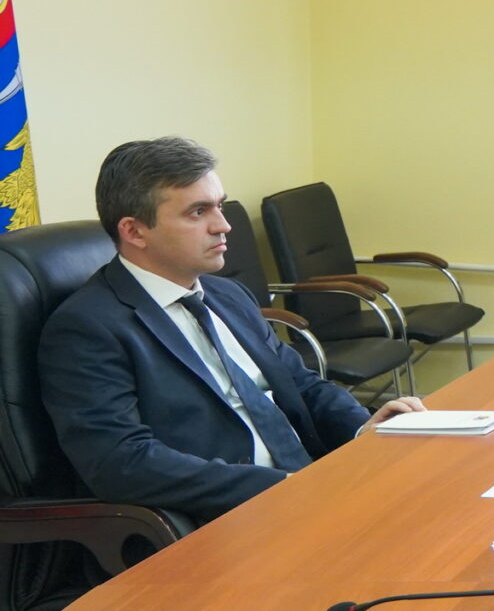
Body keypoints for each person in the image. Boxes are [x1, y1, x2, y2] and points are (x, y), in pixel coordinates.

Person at [38, 138, 425, 522]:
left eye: (219, 206)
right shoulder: (88, 328)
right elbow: (121, 462)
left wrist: (362, 428)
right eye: (198, 212)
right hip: (228, 517)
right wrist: (281, 488)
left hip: (313, 485)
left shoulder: (228, 295)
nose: (223, 226)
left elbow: (300, 383)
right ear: (135, 232)